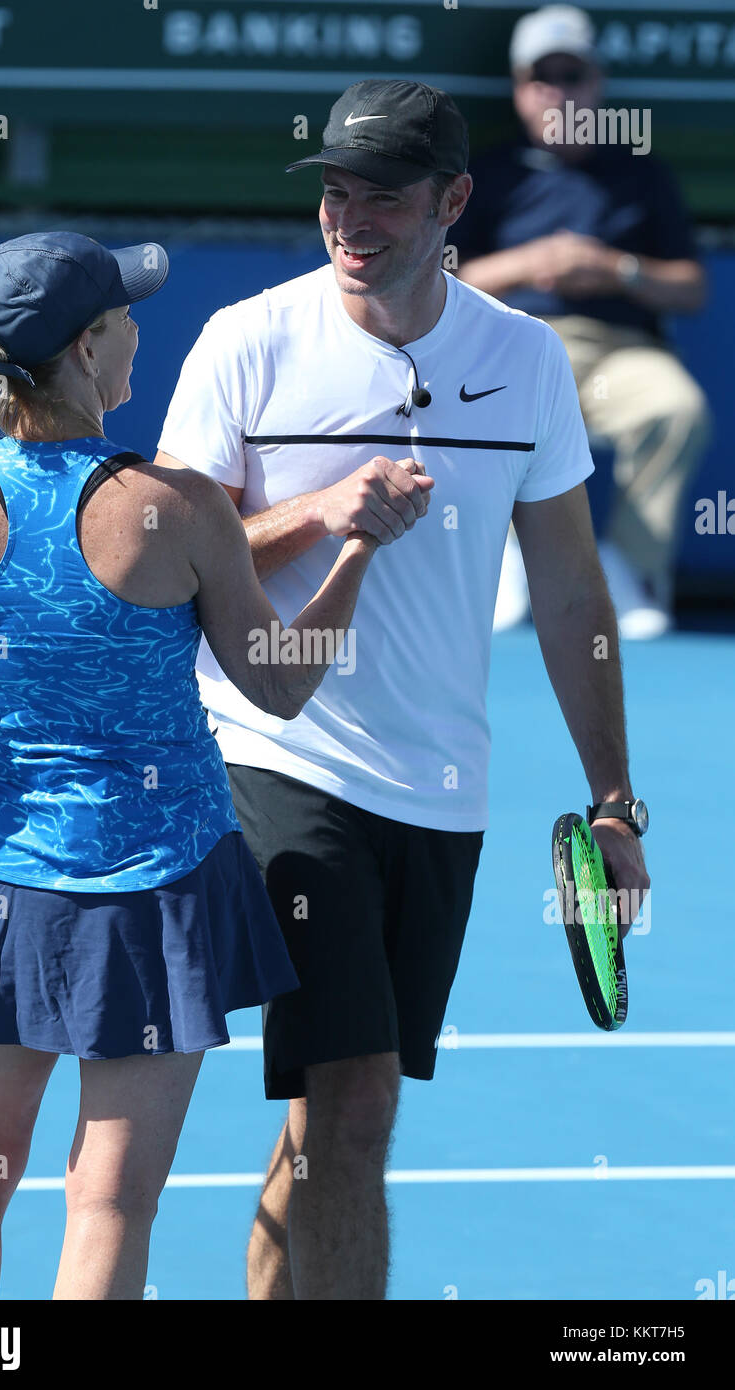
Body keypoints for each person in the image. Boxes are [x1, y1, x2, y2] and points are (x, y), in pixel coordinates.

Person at [155, 79, 651, 1300]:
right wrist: (320, 512)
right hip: (277, 755)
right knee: (358, 1092)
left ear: (453, 203)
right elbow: (161, 552)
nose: (349, 216)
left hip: (441, 789)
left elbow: (575, 596)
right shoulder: (247, 339)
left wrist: (613, 802)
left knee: (337, 1116)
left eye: (381, 192)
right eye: (334, 189)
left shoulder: (524, 361)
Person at [0, 230, 415, 1300]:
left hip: (2, 888)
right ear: (84, 350)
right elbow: (279, 684)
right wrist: (356, 547)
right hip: (160, 894)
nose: (137, 334)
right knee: (110, 1197)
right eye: (122, 319)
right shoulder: (178, 506)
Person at [451, 4, 711, 639]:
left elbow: (692, 287)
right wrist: (529, 263)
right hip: (516, 343)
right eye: (544, 78)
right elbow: (438, 279)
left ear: (597, 85)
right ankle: (504, 561)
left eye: (574, 76)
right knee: (481, 402)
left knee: (678, 408)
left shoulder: (642, 173)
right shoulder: (483, 174)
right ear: (518, 89)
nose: (559, 92)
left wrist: (616, 269)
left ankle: (625, 570)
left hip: (623, 351)